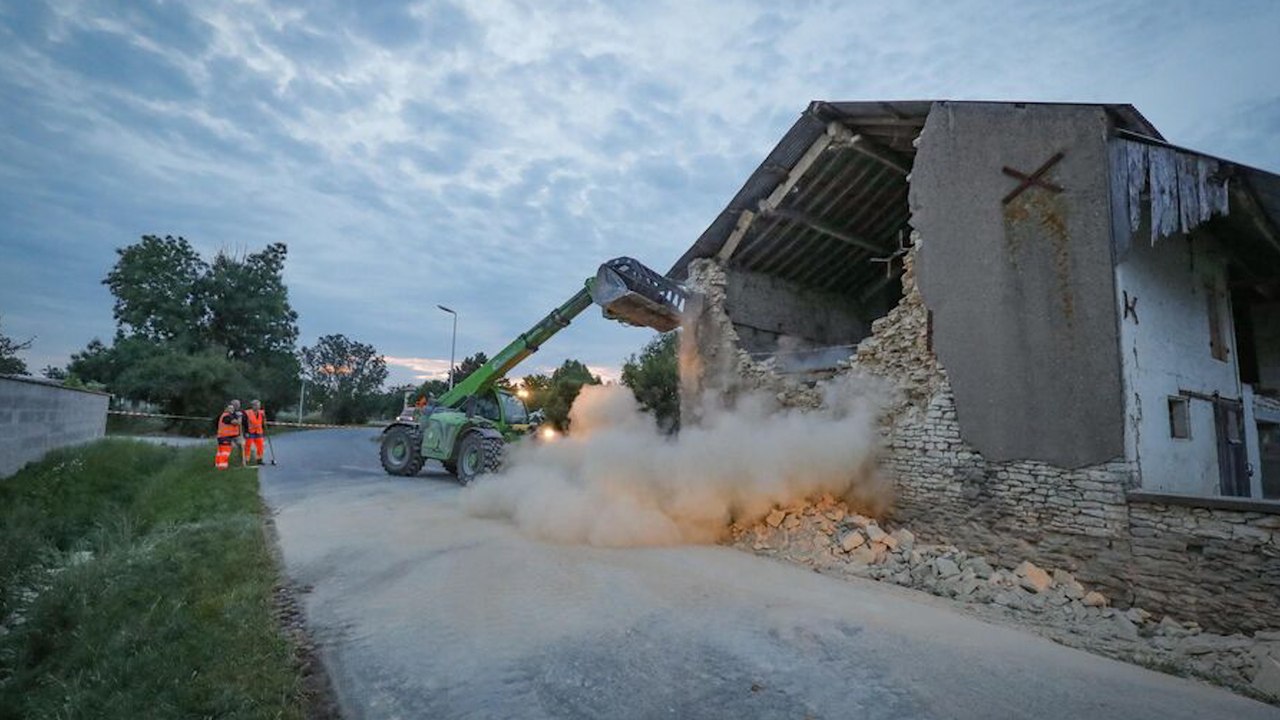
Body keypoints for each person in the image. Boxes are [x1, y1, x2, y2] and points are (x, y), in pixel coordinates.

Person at [215, 403, 241, 469]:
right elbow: (236, 423)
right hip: (225, 437)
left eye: (232, 408)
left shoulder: (225, 415)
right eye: (230, 408)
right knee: (225, 452)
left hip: (222, 437)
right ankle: (222, 467)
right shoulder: (227, 416)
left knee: (220, 452)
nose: (232, 410)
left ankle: (218, 465)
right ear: (226, 409)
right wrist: (239, 417)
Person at [243, 399, 267, 465]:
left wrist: (264, 420)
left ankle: (259, 459)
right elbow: (244, 423)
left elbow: (262, 422)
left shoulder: (261, 413)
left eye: (259, 405)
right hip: (250, 432)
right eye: (256, 405)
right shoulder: (247, 412)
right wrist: (246, 432)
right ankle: (246, 460)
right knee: (248, 446)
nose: (258, 407)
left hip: (259, 431)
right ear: (253, 406)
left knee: (261, 446)